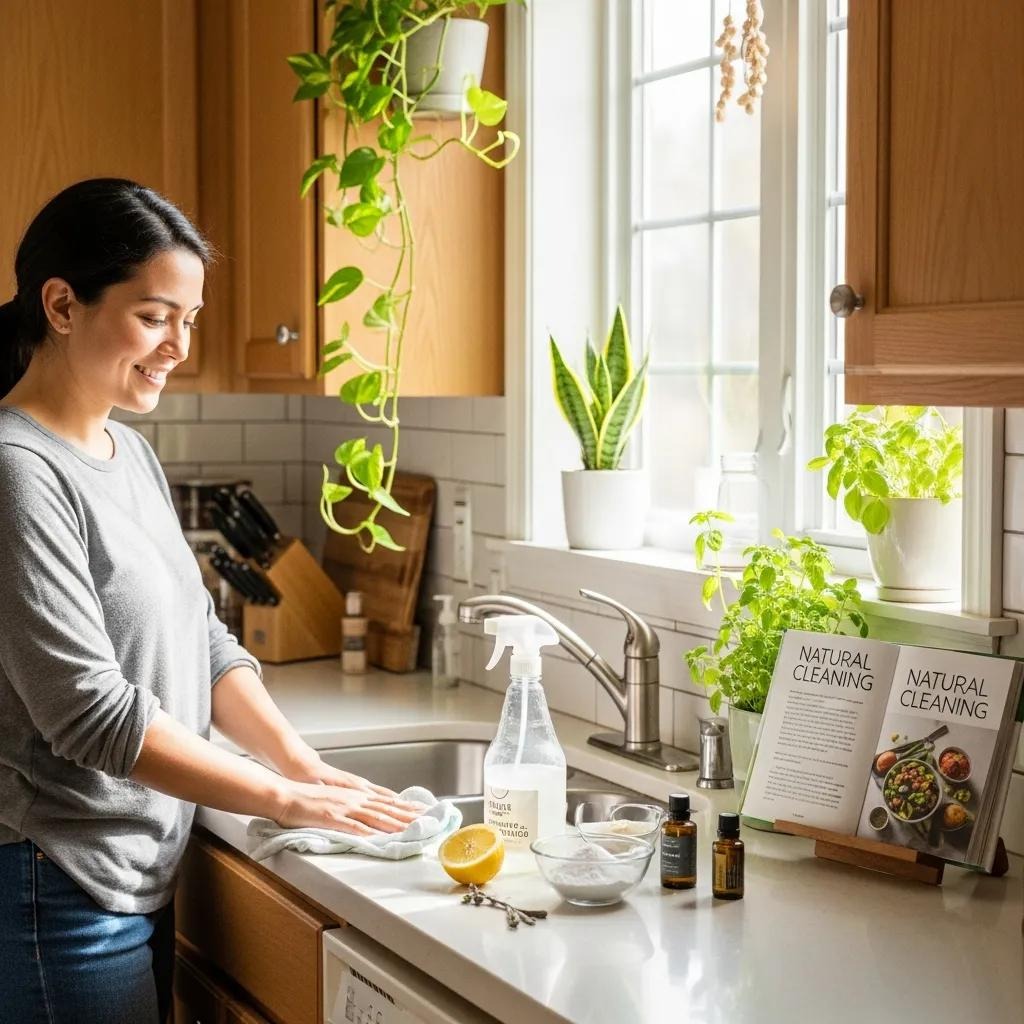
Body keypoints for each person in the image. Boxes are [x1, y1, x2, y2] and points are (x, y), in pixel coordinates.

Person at [0, 178, 426, 1024]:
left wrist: (299, 764)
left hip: (132, 875)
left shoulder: (130, 453)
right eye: (156, 316)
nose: (178, 346)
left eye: (188, 320)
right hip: (57, 889)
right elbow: (89, 713)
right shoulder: (18, 472)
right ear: (61, 304)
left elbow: (206, 639)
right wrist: (281, 798)